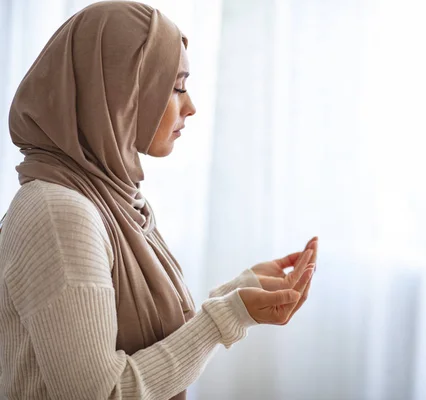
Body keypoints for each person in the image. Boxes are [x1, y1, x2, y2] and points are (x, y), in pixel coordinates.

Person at [0, 1, 318, 399]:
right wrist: (229, 315)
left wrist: (238, 292)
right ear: (119, 92)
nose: (191, 106)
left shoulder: (112, 199)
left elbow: (139, 351)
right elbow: (105, 394)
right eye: (176, 86)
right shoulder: (62, 214)